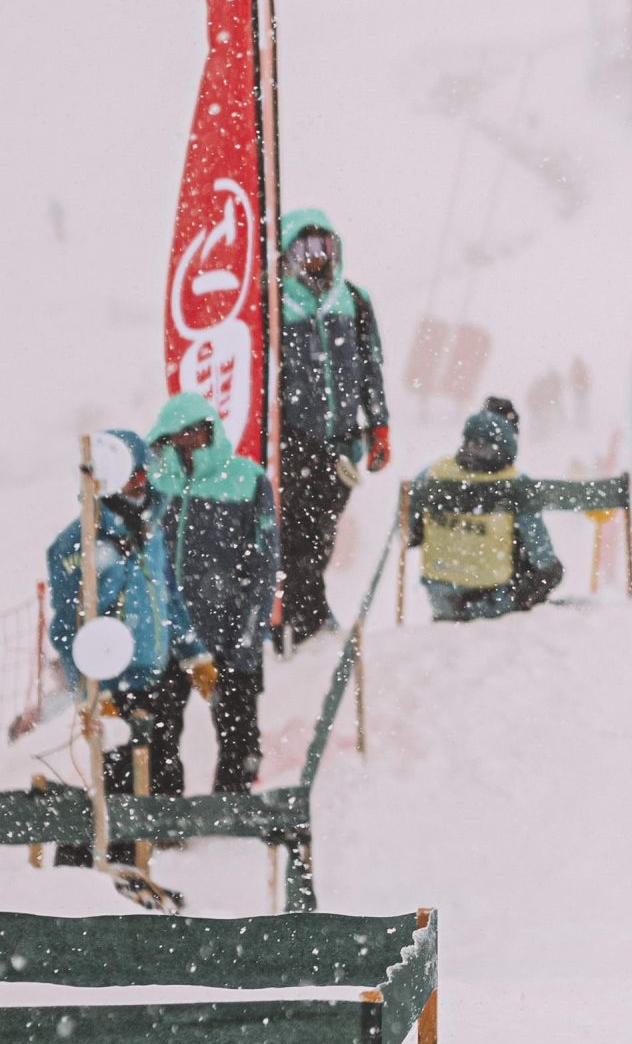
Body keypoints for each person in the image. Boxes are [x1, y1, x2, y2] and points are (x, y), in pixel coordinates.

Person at [46, 430, 219, 865]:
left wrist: (192, 651)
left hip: (157, 672)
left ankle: (148, 858)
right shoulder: (78, 543)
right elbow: (66, 629)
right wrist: (90, 689)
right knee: (116, 781)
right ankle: (96, 869)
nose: (139, 482)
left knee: (159, 764)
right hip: (112, 684)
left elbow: (168, 597)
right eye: (129, 474)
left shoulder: (152, 526)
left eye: (143, 470)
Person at [146, 393, 278, 792]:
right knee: (159, 731)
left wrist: (249, 637)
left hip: (230, 628)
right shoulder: (153, 485)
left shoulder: (248, 479)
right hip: (167, 635)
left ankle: (231, 812)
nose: (187, 442)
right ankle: (162, 815)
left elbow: (264, 565)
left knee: (237, 732)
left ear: (210, 431)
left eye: (195, 432)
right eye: (177, 436)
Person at [273, 209, 391, 651]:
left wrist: (379, 425)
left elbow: (371, 368)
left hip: (341, 441)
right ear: (287, 254)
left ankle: (303, 612)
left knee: (324, 530)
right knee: (296, 534)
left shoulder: (353, 301)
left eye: (324, 248)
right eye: (304, 249)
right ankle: (306, 618)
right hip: (292, 441)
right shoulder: (274, 304)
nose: (315, 259)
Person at [409, 405, 564, 622]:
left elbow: (408, 533)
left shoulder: (431, 474)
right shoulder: (516, 484)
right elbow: (541, 554)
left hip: (440, 593)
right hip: (495, 596)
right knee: (551, 571)